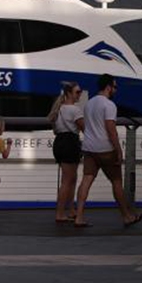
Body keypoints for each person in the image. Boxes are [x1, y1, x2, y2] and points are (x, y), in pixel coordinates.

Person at [74, 74, 142, 228]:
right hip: (106, 149)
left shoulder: (89, 103)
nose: (116, 90)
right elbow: (111, 130)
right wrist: (118, 150)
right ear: (108, 87)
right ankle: (127, 216)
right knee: (116, 182)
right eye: (115, 87)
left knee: (86, 181)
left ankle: (79, 216)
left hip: (89, 148)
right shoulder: (109, 105)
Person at [48, 83, 85, 224]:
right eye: (77, 92)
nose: (79, 94)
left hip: (59, 142)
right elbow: (84, 128)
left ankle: (70, 210)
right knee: (67, 181)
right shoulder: (75, 110)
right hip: (70, 143)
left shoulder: (58, 109)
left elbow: (55, 130)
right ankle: (60, 213)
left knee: (71, 178)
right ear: (69, 93)